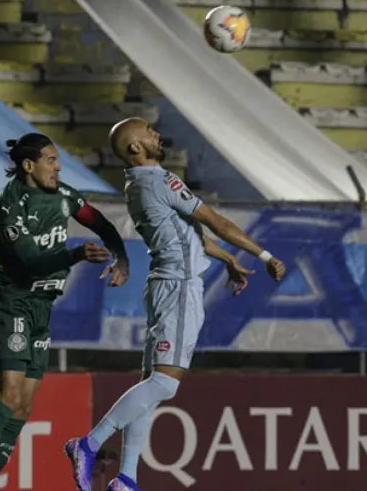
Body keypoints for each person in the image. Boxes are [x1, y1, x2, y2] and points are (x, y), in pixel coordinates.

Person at [65, 117, 287, 491]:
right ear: (136, 148)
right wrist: (264, 255)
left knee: (152, 385)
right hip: (179, 288)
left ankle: (127, 478)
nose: (157, 134)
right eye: (148, 131)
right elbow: (216, 222)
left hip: (163, 283)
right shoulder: (158, 180)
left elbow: (189, 235)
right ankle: (88, 444)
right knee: (166, 385)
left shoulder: (138, 185)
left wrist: (229, 261)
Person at [0, 133, 130, 491]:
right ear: (28, 165)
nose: (58, 166)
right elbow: (30, 262)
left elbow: (100, 222)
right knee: (9, 396)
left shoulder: (65, 196)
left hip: (41, 309)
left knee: (22, 408)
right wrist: (75, 255)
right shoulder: (8, 208)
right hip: (12, 306)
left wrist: (121, 257)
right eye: (51, 160)